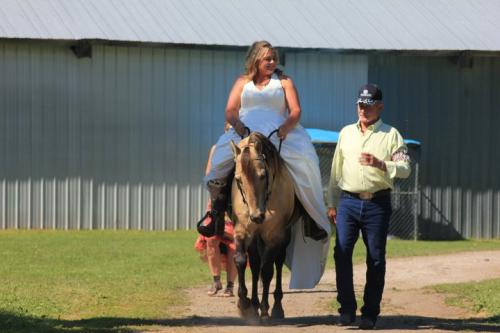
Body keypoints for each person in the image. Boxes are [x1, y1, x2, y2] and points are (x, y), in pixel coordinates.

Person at [200, 40, 331, 289]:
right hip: (246, 131)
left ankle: (311, 217)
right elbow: (230, 110)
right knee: (218, 162)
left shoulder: (284, 82)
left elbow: (295, 111)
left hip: (278, 132)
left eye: (274, 58)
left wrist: (284, 129)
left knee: (307, 162)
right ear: (256, 60)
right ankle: (215, 215)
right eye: (267, 58)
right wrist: (238, 127)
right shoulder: (242, 82)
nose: (272, 62)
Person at [327, 84, 411, 329]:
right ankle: (347, 309)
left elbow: (406, 169)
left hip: (377, 204)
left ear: (380, 107)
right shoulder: (345, 133)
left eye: (368, 105)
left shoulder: (391, 134)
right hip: (348, 202)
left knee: (375, 258)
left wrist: (382, 164)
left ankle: (370, 313)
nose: (363, 110)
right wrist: (332, 203)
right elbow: (335, 171)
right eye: (360, 105)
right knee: (341, 254)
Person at [195, 144, 237, 297]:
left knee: (233, 244)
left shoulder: (243, 147)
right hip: (217, 198)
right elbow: (208, 174)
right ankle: (216, 281)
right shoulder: (216, 149)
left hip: (236, 200)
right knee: (211, 240)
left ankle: (230, 285)